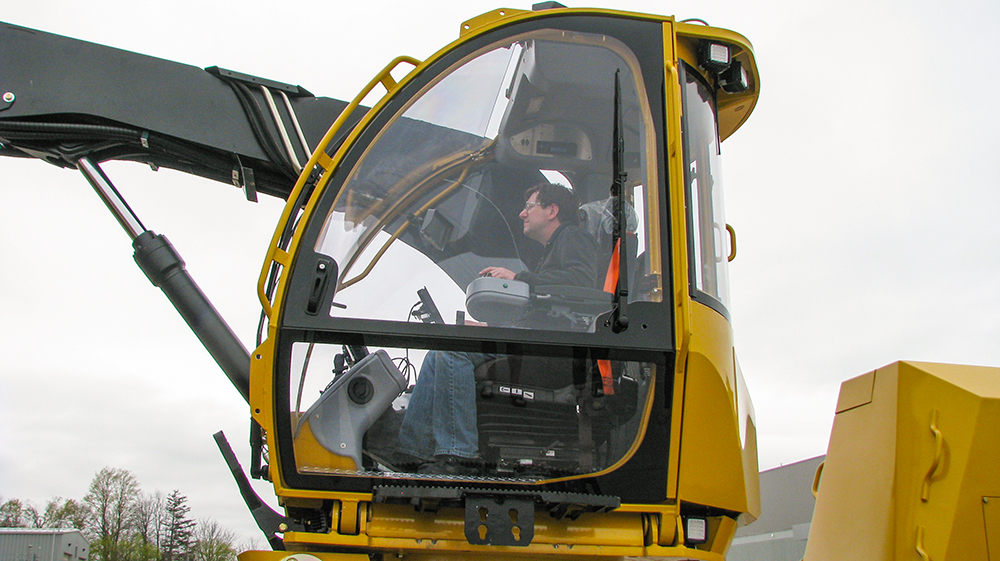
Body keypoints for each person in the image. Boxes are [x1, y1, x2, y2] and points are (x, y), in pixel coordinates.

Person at [395, 182, 599, 475]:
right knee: (440, 350)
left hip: (551, 354)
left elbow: (580, 284)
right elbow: (545, 309)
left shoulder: (574, 237)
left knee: (453, 352)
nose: (521, 214)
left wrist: (519, 278)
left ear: (552, 210)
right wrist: (486, 327)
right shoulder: (550, 254)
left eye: (529, 206)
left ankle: (459, 453)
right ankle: (410, 451)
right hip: (536, 344)